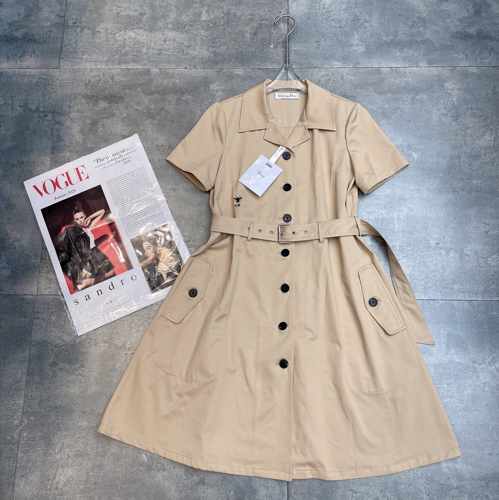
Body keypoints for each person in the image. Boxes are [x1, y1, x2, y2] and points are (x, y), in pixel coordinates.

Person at [56, 203, 115, 291]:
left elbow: (102, 211)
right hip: (87, 258)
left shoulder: (88, 227)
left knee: (110, 273)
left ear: (85, 217)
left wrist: (90, 217)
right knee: (84, 283)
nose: (80, 220)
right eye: (77, 219)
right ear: (74, 221)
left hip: (97, 253)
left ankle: (95, 284)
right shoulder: (74, 232)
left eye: (82, 217)